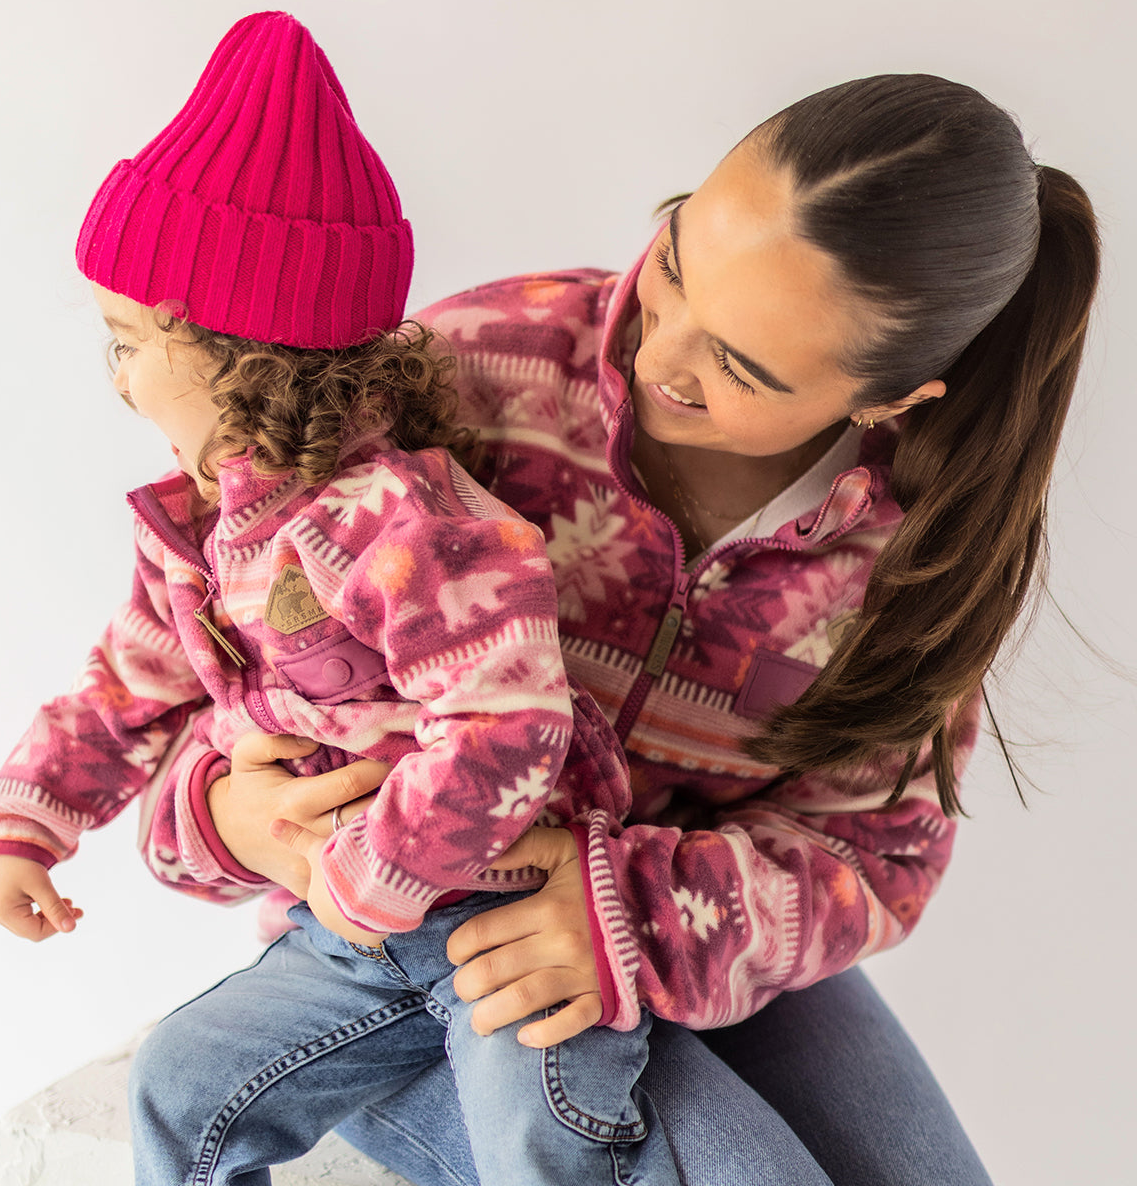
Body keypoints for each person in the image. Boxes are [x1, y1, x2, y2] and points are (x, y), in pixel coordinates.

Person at [128, 69, 1100, 1185]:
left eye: (735, 366)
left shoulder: (913, 557)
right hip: (418, 944)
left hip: (685, 913)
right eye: (674, 262)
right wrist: (215, 813)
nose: (655, 350)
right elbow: (192, 643)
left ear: (892, 398)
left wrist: (629, 915)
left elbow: (878, 856)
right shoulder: (472, 372)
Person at [0, 11, 684, 1186]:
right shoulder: (192, 531)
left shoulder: (412, 528)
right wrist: (30, 821)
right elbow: (127, 685)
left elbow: (510, 727)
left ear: (233, 351)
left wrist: (380, 873)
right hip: (343, 937)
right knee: (180, 1091)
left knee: (542, 1144)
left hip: (497, 914)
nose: (116, 373)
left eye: (129, 340)